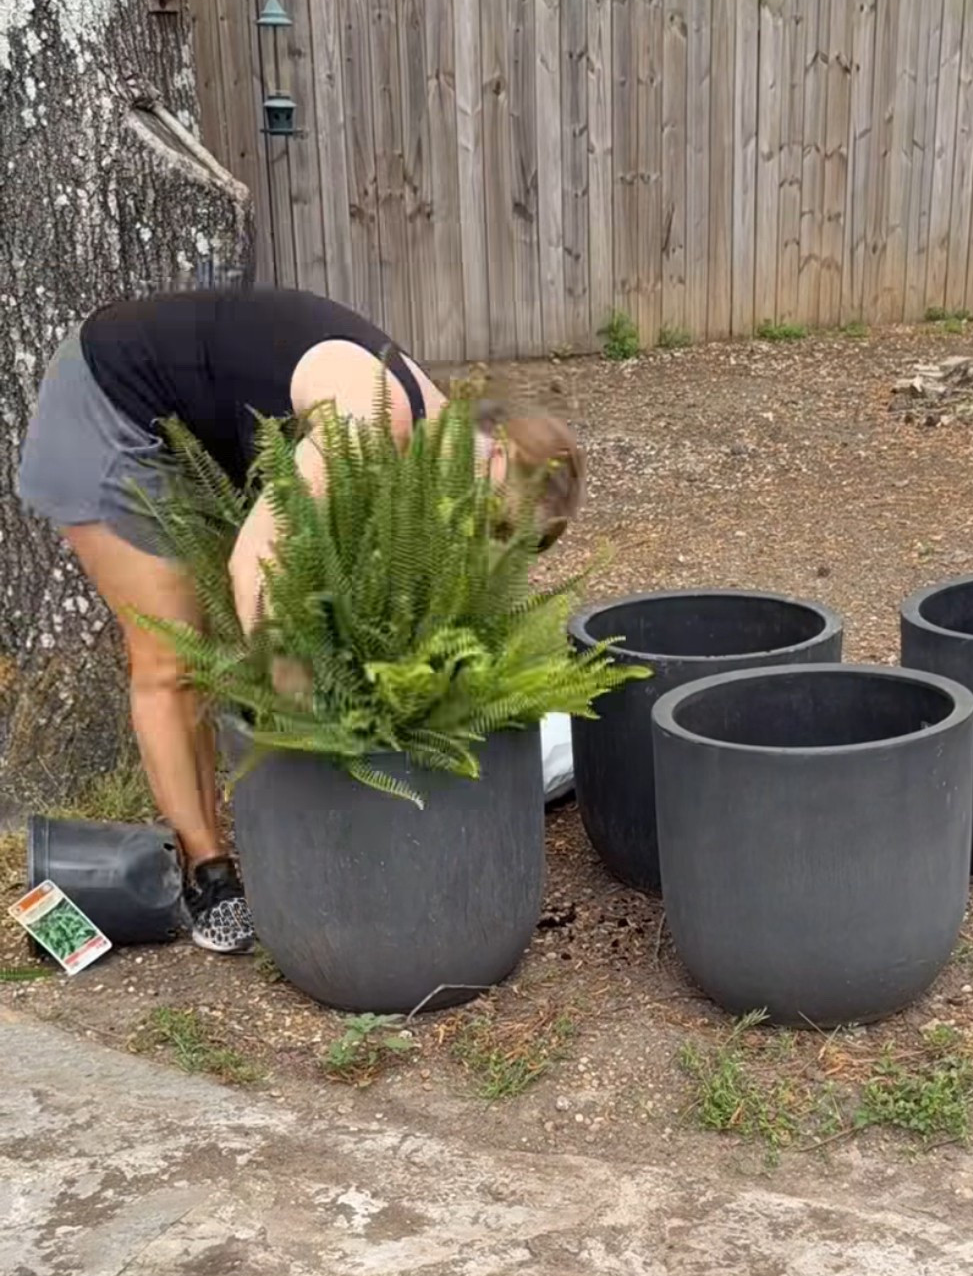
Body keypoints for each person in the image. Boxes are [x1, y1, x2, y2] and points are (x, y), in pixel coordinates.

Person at [18, 287, 584, 955]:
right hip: (109, 408)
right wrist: (309, 713)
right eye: (494, 524)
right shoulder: (379, 420)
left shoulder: (434, 433)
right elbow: (254, 564)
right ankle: (209, 876)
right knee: (171, 658)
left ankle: (210, 827)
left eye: (510, 544)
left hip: (184, 423)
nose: (481, 549)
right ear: (489, 454)